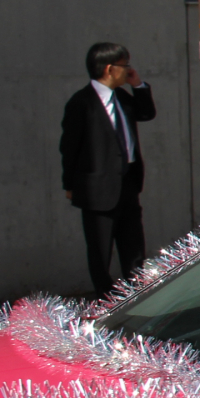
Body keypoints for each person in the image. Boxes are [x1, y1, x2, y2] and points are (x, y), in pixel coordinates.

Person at [60, 42, 156, 297]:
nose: (129, 70)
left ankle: (136, 293)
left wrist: (138, 86)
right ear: (109, 69)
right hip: (98, 189)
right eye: (125, 66)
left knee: (133, 245)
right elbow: (69, 148)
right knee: (101, 249)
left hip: (128, 182)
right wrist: (69, 184)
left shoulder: (122, 97)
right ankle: (105, 297)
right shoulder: (82, 103)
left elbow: (146, 114)